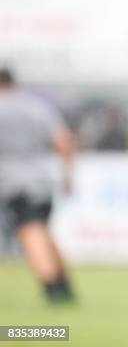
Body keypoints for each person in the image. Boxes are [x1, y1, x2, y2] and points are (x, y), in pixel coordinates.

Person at [0, 67, 75, 304]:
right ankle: (64, 284)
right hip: (43, 178)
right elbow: (63, 141)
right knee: (43, 231)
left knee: (29, 233)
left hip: (14, 182)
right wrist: (68, 176)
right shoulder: (37, 106)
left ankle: (52, 288)